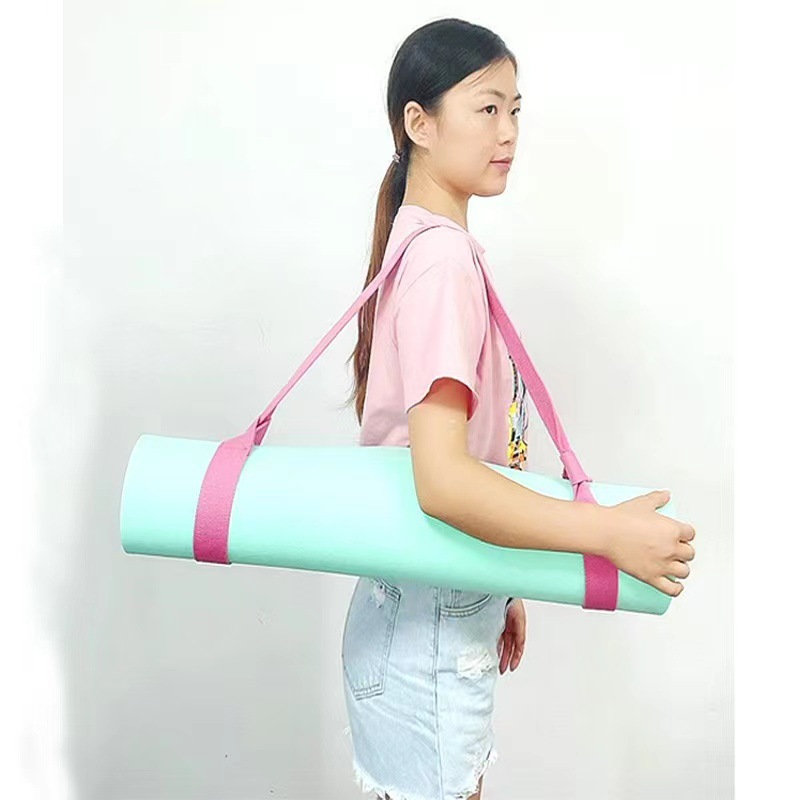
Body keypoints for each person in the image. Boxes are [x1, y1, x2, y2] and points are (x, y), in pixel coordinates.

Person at [340, 17, 695, 800]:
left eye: (515, 110)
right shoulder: (440, 262)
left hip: (424, 618)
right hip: (428, 638)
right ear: (418, 123)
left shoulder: (428, 246)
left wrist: (500, 581)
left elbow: (458, 462)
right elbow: (442, 482)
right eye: (487, 108)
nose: (508, 132)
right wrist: (607, 535)